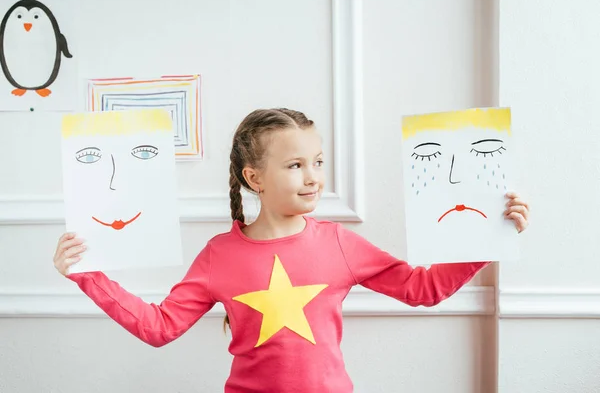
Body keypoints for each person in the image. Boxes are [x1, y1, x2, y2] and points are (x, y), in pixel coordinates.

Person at [53, 108, 530, 393]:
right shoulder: (220, 254)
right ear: (254, 178)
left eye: (317, 162)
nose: (313, 176)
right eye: (296, 164)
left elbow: (421, 289)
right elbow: (160, 328)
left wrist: (485, 237)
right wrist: (87, 273)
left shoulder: (339, 242)